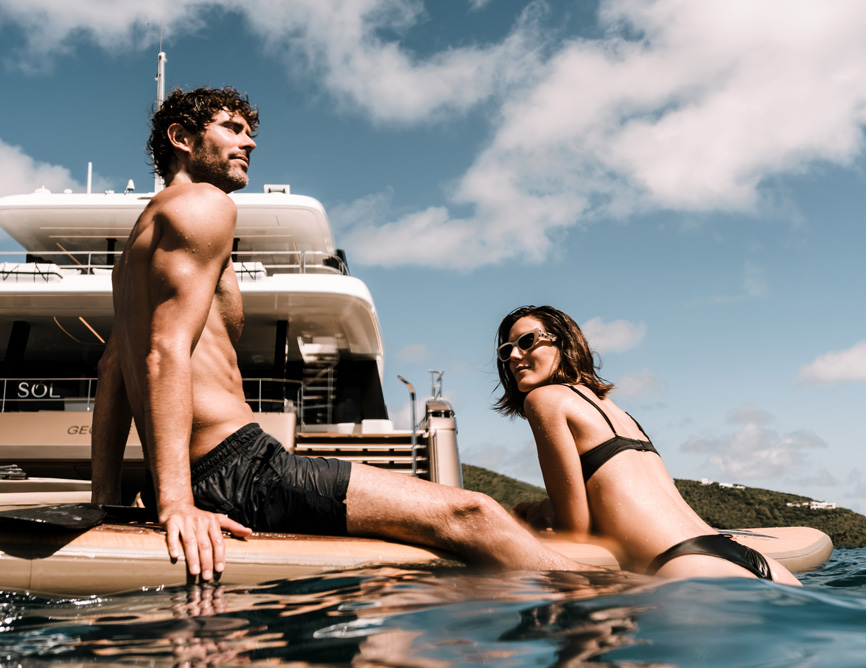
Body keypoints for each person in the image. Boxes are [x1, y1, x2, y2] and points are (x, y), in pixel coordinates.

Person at [90, 87, 590, 582]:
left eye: (250, 131)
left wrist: (106, 502)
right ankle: (599, 614)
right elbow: (164, 352)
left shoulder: (136, 247)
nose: (250, 143)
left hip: (206, 473)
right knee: (474, 515)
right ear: (181, 137)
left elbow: (112, 371)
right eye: (232, 129)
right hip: (237, 470)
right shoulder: (205, 205)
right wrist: (177, 504)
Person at [494, 305, 802, 585]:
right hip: (744, 556)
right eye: (507, 350)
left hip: (684, 563)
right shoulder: (614, 409)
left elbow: (577, 527)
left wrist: (534, 515)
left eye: (526, 341)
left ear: (562, 342)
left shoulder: (543, 400)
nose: (515, 357)